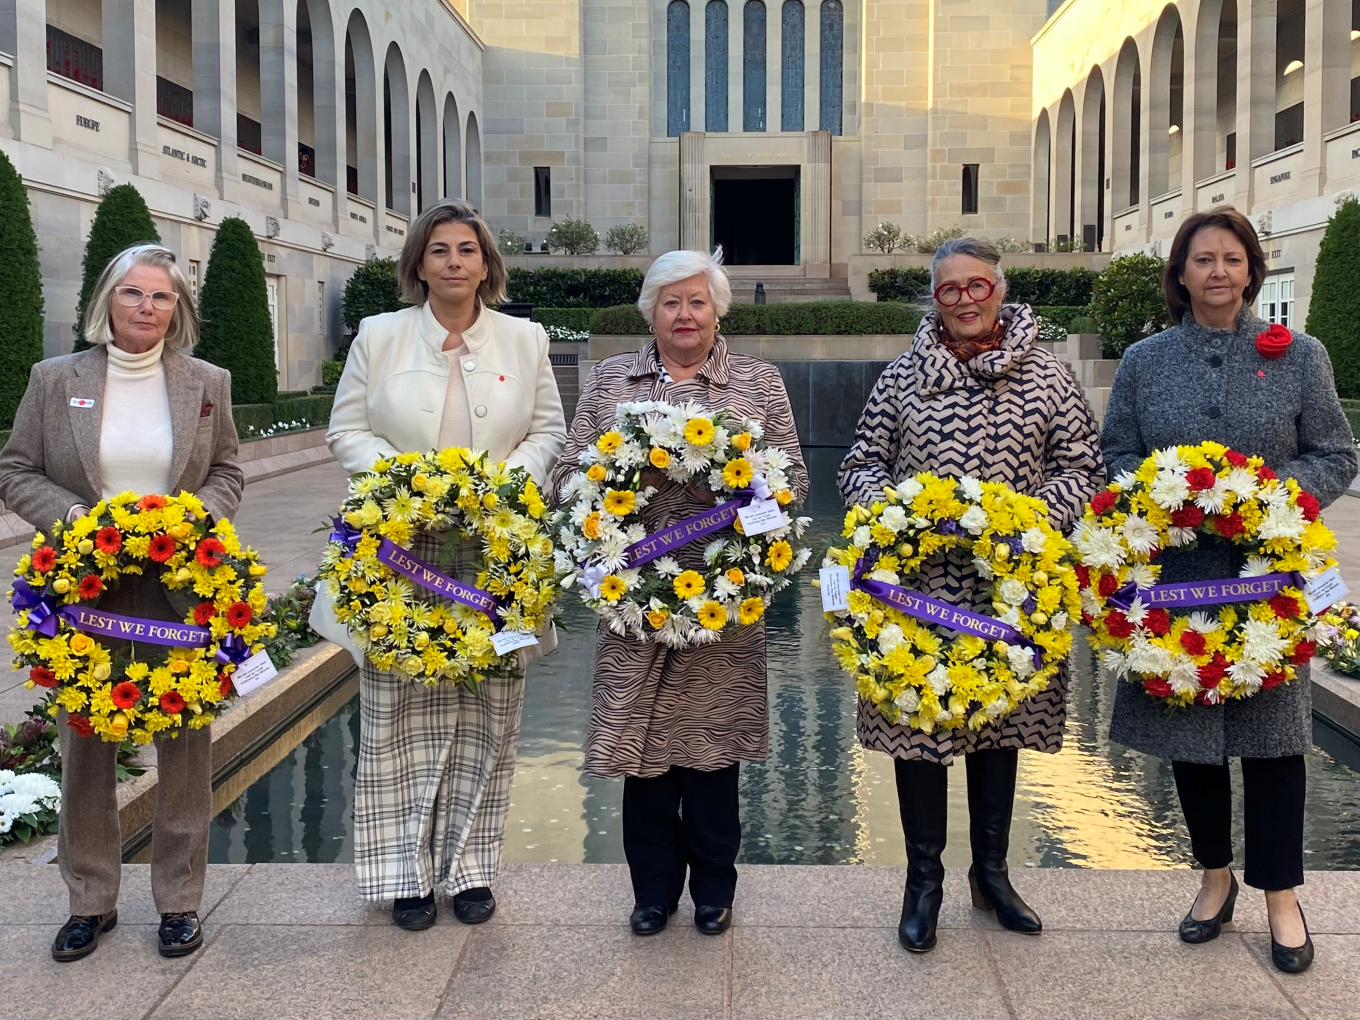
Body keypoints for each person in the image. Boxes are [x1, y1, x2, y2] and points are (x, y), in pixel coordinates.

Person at [1102, 206, 1357, 974]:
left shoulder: (1300, 355)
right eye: (1203, 260)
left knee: (1276, 745)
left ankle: (1281, 896)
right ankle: (1215, 880)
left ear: (1252, 270)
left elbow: (1336, 453)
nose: (1218, 271)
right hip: (1178, 580)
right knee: (1193, 744)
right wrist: (1163, 493)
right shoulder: (1145, 360)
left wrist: (1266, 499)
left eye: (1232, 259)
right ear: (1180, 275)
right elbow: (1117, 453)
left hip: (1268, 584)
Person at [837, 236, 1105, 953]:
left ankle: (992, 875)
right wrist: (897, 512)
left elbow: (1083, 469)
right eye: (949, 288)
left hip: (1012, 591)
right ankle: (922, 882)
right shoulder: (901, 377)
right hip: (917, 592)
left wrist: (1022, 522)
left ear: (999, 290)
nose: (963, 299)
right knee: (918, 729)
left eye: (976, 285)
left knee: (1000, 726)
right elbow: (860, 465)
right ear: (935, 298)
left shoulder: (1049, 375)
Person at [547, 248, 807, 937]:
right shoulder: (610, 379)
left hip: (724, 601)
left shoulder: (757, 380)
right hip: (630, 598)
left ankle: (714, 891)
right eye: (670, 302)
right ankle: (652, 893)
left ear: (717, 310)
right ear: (651, 312)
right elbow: (566, 477)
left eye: (697, 301)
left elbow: (793, 484)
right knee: (645, 758)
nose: (684, 314)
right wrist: (628, 482)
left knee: (712, 756)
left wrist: (721, 493)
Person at [320, 199, 565, 930]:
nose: (454, 262)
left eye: (467, 250)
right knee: (395, 720)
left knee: (490, 716)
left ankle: (471, 873)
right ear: (418, 266)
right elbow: (346, 429)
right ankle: (405, 877)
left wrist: (499, 489)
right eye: (439, 251)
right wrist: (411, 487)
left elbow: (548, 431)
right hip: (400, 549)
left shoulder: (525, 338)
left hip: (497, 552)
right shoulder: (379, 335)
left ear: (486, 265)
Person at [0, 243, 243, 961]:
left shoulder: (208, 382)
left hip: (179, 589)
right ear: (107, 299)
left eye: (161, 296)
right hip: (86, 590)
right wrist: (77, 521)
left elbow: (227, 470)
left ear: (178, 309)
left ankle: (179, 900)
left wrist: (194, 520)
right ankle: (90, 901)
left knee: (185, 746)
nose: (146, 307)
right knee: (87, 747)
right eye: (133, 293)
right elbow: (16, 469)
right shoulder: (55, 379)